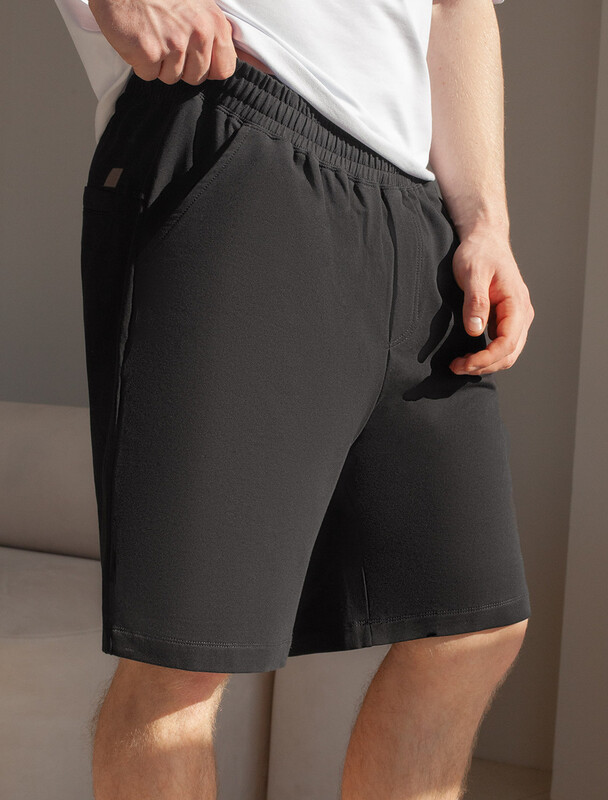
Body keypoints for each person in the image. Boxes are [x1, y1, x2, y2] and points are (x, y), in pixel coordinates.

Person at [58, 0, 534, 796]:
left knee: (474, 629)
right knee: (182, 661)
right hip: (242, 127)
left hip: (416, 205)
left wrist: (486, 221)